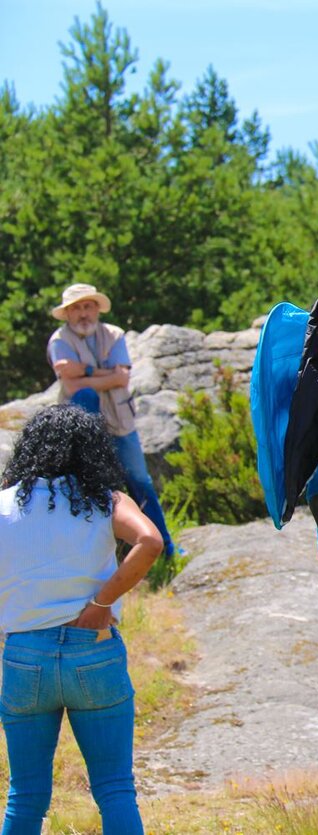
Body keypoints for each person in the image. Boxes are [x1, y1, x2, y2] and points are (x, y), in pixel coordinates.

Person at [1, 404, 162, 834]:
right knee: (114, 790)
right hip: (92, 649)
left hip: (24, 655)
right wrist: (102, 601)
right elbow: (150, 540)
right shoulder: (105, 501)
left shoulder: (3, 505)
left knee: (25, 796)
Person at [47, 283, 176, 558]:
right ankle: (101, 556)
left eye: (88, 306)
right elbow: (71, 387)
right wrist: (104, 374)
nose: (84, 314)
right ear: (67, 314)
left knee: (140, 481)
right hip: (82, 429)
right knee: (89, 486)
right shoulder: (60, 341)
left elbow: (122, 377)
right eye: (77, 308)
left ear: (97, 309)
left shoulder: (113, 335)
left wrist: (85, 373)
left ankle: (165, 548)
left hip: (120, 420)